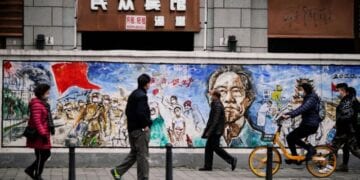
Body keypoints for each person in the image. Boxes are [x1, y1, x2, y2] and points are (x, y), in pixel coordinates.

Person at [208, 65, 263, 147]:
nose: (229, 99)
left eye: (236, 91)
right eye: (221, 91)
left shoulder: (261, 141)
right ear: (210, 99)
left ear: (248, 99)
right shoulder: (198, 141)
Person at [111, 74, 152, 180]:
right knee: (143, 156)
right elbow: (141, 112)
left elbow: (128, 111)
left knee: (134, 153)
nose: (150, 85)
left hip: (132, 130)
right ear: (146, 84)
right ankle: (143, 178)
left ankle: (117, 171)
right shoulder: (142, 96)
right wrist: (145, 125)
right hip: (140, 131)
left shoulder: (134, 94)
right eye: (149, 83)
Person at [281, 83, 321, 163]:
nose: (300, 92)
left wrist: (290, 115)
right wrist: (288, 114)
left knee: (291, 137)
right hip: (307, 123)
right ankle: (295, 157)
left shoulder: (311, 99)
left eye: (301, 90)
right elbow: (300, 108)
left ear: (306, 90)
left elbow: (302, 109)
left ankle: (309, 149)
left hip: (310, 125)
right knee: (291, 137)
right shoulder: (308, 98)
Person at [199, 90, 237, 171]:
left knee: (216, 148)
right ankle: (208, 166)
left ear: (215, 96)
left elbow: (215, 120)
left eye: (212, 95)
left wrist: (209, 131)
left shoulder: (217, 105)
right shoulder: (216, 104)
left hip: (216, 131)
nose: (211, 96)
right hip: (215, 130)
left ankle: (232, 160)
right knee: (209, 148)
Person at [25, 83, 55, 180]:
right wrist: (43, 134)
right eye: (47, 93)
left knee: (44, 155)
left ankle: (31, 170)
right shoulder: (37, 105)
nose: (48, 94)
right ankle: (37, 175)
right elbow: (37, 121)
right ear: (41, 94)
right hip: (39, 135)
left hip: (43, 134)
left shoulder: (43, 104)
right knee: (42, 155)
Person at [328, 84, 360, 173]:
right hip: (351, 129)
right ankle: (344, 166)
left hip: (344, 130)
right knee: (352, 149)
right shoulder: (355, 101)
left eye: (339, 91)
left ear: (344, 91)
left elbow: (346, 115)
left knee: (333, 147)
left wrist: (338, 124)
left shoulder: (347, 101)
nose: (338, 93)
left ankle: (329, 167)